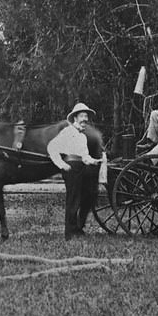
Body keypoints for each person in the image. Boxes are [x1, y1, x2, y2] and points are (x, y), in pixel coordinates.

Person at [47, 103, 105, 240]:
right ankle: (69, 233)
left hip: (81, 167)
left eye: (86, 117)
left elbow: (85, 157)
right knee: (72, 199)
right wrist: (61, 164)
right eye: (82, 116)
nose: (85, 119)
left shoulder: (82, 136)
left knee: (86, 195)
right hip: (71, 167)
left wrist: (94, 161)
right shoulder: (67, 132)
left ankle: (77, 228)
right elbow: (52, 147)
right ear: (75, 118)